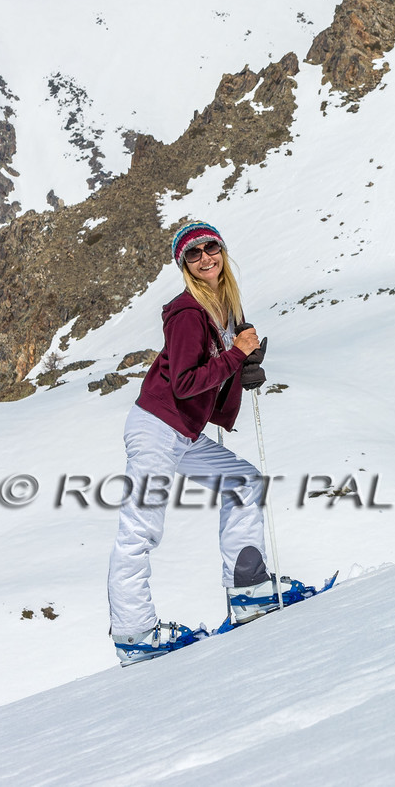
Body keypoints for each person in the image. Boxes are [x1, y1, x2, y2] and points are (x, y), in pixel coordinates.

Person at [106, 221, 283, 665]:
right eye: (194, 253)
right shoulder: (188, 312)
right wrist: (237, 356)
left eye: (211, 247)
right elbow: (185, 384)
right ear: (183, 265)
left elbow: (215, 395)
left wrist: (242, 371)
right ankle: (134, 636)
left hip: (182, 433)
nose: (206, 257)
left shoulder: (224, 308)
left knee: (243, 482)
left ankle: (249, 591)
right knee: (139, 529)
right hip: (155, 427)